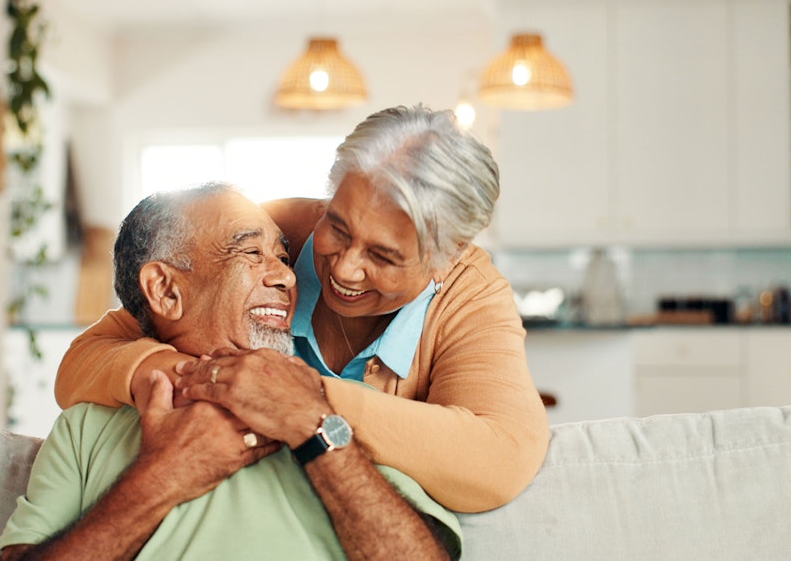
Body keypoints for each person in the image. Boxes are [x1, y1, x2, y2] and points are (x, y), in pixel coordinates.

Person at [54, 105, 550, 513]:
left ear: (449, 256)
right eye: (338, 226)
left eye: (383, 256)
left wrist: (301, 401)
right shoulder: (272, 233)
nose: (345, 269)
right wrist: (196, 374)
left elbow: (498, 458)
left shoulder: (471, 293)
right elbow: (93, 351)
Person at [0, 183, 461, 560]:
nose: (286, 277)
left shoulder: (338, 412)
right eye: (250, 254)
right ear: (165, 290)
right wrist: (167, 473)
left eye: (281, 257)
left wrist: (312, 426)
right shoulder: (85, 429)